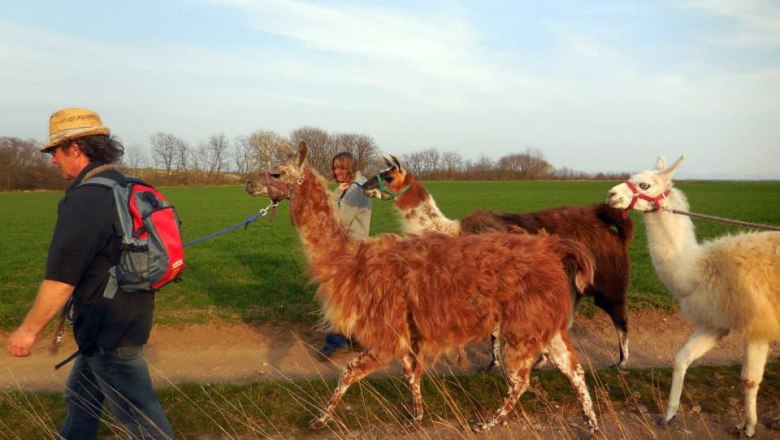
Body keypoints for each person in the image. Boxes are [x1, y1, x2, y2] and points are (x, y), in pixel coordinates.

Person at [6, 108, 174, 439]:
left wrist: (27, 331)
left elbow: (60, 281)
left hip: (107, 328)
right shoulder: (125, 185)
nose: (52, 160)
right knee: (82, 398)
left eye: (55, 151)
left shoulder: (87, 198)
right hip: (129, 315)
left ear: (74, 147)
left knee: (142, 419)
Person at [318, 151, 372, 360]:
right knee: (352, 296)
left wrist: (333, 196)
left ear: (349, 167)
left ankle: (337, 342)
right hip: (355, 249)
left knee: (337, 296)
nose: (336, 172)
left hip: (349, 251)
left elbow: (337, 220)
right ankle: (356, 339)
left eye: (340, 168)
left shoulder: (356, 190)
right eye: (334, 168)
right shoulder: (355, 186)